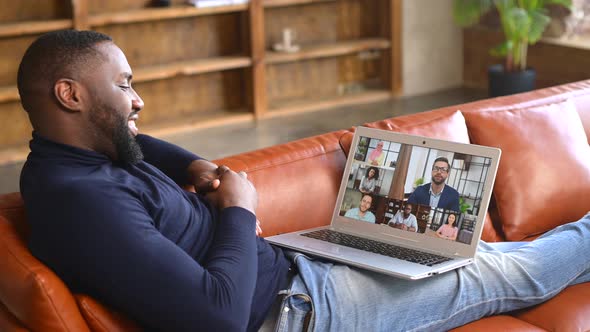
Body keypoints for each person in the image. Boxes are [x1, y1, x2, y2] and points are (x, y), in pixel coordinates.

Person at [17, 30, 590, 332]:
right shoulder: (81, 203)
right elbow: (216, 319)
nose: (138, 99)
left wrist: (190, 164)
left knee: (455, 248)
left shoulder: (76, 158)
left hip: (297, 273)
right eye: (124, 86)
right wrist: (238, 208)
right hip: (300, 315)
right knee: (503, 270)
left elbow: (135, 144)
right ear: (71, 95)